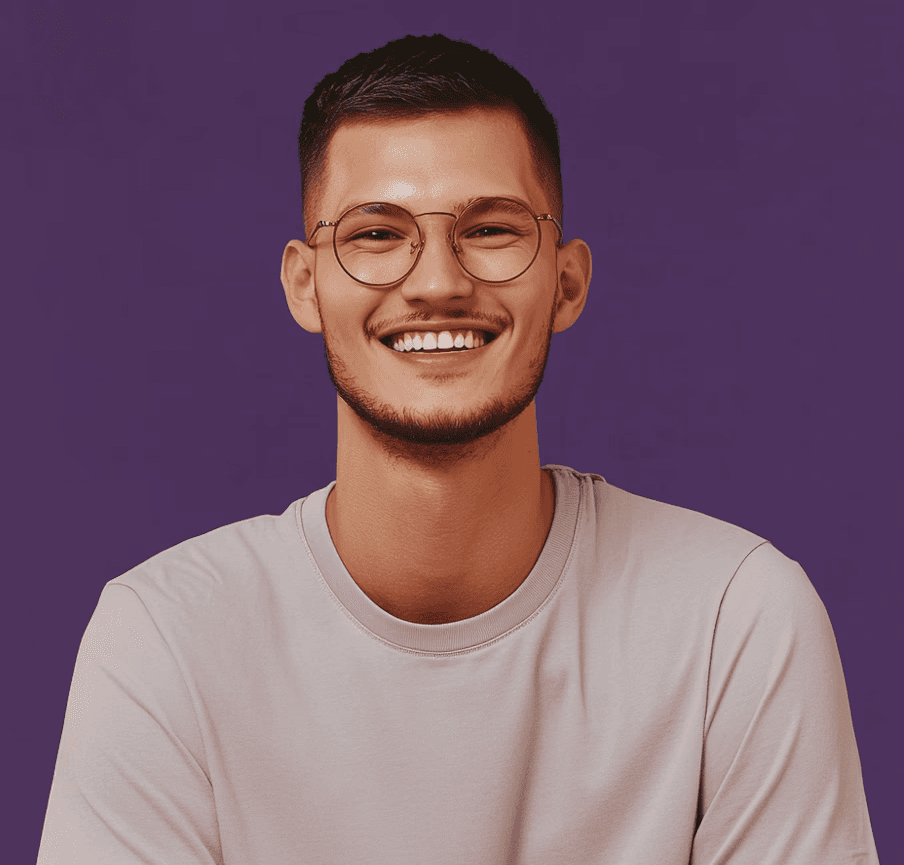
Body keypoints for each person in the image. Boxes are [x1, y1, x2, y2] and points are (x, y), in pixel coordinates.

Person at [38, 34, 879, 864]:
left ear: (568, 281)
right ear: (305, 284)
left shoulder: (734, 620)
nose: (437, 279)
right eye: (374, 234)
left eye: (491, 229)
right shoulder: (165, 640)